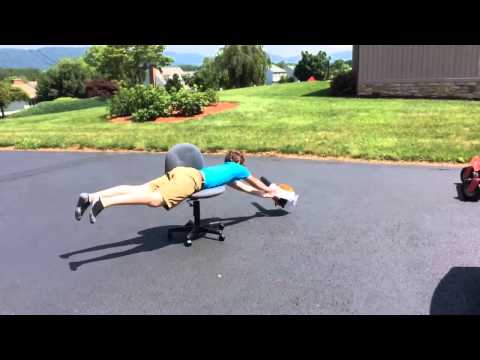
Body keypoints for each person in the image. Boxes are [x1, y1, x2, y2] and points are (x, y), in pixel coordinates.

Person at [75, 150, 279, 224]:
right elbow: (258, 184)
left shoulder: (228, 173)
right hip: (191, 180)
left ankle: (91, 196)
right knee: (155, 200)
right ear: (240, 162)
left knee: (141, 189)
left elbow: (249, 190)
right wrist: (275, 191)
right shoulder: (239, 170)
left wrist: (267, 196)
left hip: (182, 172)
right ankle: (104, 202)